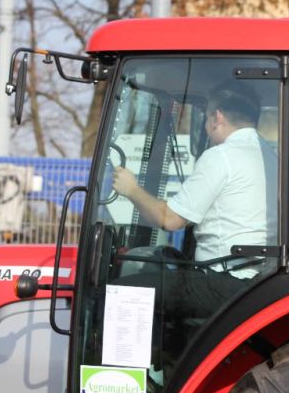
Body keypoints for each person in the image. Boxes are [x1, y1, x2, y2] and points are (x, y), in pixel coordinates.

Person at [112, 80, 277, 314]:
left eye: (206, 116)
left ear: (217, 117)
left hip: (222, 282)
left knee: (119, 295)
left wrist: (131, 189)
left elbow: (170, 220)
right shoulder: (272, 158)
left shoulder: (222, 157)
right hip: (257, 280)